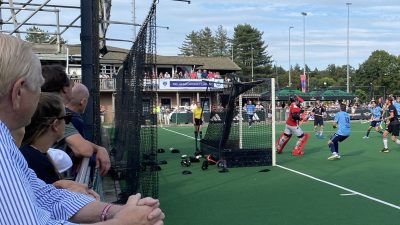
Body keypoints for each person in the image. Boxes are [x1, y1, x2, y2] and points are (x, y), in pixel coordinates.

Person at [0, 33, 164, 225]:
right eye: (38, 86)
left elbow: (45, 197)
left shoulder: (6, 143)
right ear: (18, 92)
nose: (40, 95)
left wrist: (113, 212)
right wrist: (123, 223)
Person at [20, 92, 99, 200]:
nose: (68, 123)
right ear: (56, 125)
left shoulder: (26, 153)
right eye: (67, 118)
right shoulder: (37, 162)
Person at [41, 64, 111, 176]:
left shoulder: (38, 109)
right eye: (71, 84)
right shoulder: (55, 112)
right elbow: (83, 149)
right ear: (64, 89)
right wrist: (99, 149)